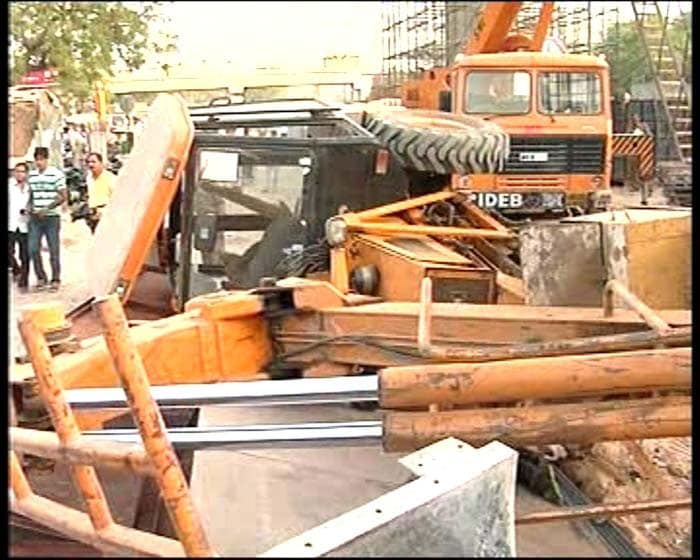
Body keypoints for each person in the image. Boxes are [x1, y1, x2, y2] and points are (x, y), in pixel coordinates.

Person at [27, 147, 67, 291]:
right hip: (35, 217)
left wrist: (47, 208)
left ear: (46, 159)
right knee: (32, 248)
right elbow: (30, 195)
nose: (39, 162)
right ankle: (41, 277)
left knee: (53, 249)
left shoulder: (56, 174)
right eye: (37, 159)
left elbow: (63, 196)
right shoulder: (32, 176)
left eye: (42, 159)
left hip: (51, 217)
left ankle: (55, 278)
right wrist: (30, 207)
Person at [9, 162, 31, 291]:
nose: (19, 174)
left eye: (22, 171)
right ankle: (16, 270)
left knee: (25, 255)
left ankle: (24, 280)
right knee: (9, 252)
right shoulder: (10, 186)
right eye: (17, 171)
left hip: (25, 225)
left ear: (26, 173)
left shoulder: (30, 188)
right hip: (11, 224)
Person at [85, 152, 117, 233]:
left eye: (93, 162)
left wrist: (105, 211)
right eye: (88, 162)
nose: (91, 164)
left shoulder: (110, 178)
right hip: (93, 215)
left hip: (106, 215)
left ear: (101, 163)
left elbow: (117, 198)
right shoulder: (89, 178)